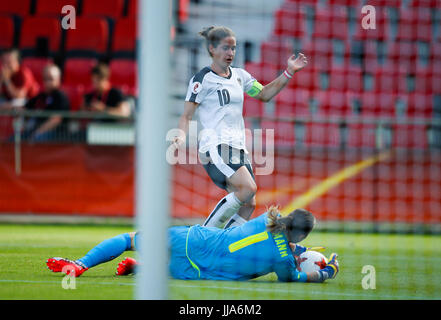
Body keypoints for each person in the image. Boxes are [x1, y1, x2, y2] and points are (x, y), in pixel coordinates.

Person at [172, 26, 308, 229]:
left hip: (238, 147)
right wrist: (180, 136)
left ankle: (224, 247)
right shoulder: (201, 80)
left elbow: (265, 94)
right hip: (215, 145)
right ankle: (202, 239)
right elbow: (186, 115)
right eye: (226, 48)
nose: (230, 53)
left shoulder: (239, 76)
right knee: (248, 188)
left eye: (234, 48)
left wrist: (288, 72)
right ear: (212, 49)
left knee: (248, 203)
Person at [46, 206, 339, 283]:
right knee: (171, 268)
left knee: (129, 240)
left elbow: (265, 241)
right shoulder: (283, 260)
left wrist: (295, 250)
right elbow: (295, 277)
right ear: (300, 238)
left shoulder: (269, 217)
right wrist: (326, 272)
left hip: (194, 238)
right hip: (197, 270)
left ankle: (81, 264)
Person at [18, 64, 70, 142]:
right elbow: (24, 108)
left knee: (36, 139)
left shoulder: (61, 97)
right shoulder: (41, 96)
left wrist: (37, 133)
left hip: (55, 134)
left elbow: (56, 120)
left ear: (58, 79)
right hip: (34, 130)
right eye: (45, 79)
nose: (47, 82)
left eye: (51, 79)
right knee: (13, 140)